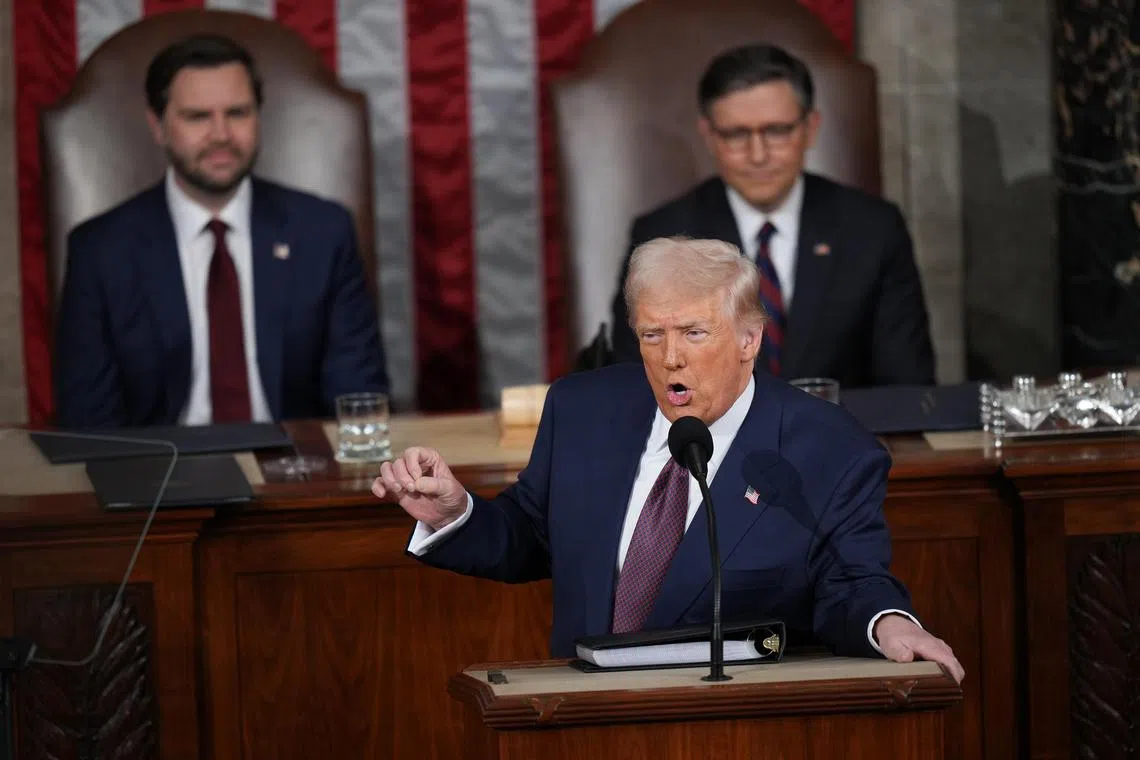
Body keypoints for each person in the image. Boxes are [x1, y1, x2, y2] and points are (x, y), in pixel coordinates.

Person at [373, 237, 963, 682]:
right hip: (580, 718)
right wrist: (455, 513)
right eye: (652, 335)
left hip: (735, 726)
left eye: (694, 333)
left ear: (748, 339)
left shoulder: (830, 449)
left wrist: (889, 623)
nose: (671, 357)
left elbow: (852, 582)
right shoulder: (583, 409)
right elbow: (533, 532)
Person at [54, 33, 388, 427]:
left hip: (297, 474)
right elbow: (90, 424)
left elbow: (358, 403)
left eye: (237, 113)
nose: (222, 135)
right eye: (198, 117)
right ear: (158, 126)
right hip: (161, 476)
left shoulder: (322, 232)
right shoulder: (102, 250)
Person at [608, 44, 935, 388]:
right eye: (736, 135)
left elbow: (908, 389)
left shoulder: (872, 229)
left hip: (840, 436)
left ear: (810, 128)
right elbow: (637, 386)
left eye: (777, 131)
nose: (758, 155)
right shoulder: (664, 237)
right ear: (709, 136)